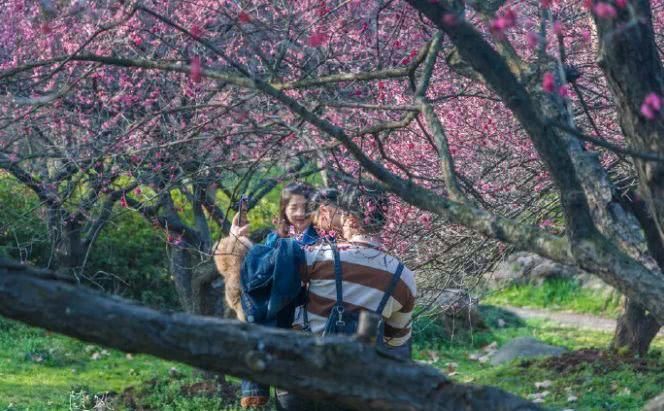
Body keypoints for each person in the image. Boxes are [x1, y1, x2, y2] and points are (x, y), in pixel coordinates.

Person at [234, 185, 417, 411]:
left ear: (350, 218)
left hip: (300, 377)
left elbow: (263, 276)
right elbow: (395, 340)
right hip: (356, 386)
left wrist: (239, 242)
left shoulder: (318, 256)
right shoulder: (403, 277)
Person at [214, 182, 319, 408]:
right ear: (283, 209)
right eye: (294, 207)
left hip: (314, 328)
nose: (300, 213)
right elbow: (251, 283)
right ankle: (255, 387)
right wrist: (236, 241)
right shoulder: (273, 241)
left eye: (306, 207)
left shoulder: (324, 240)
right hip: (282, 325)